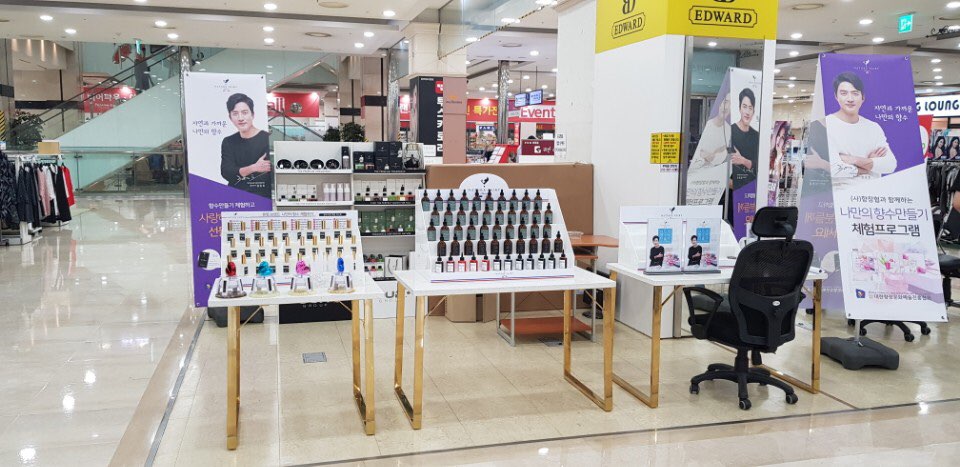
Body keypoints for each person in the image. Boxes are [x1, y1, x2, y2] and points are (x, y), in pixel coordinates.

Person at [825, 71, 897, 189]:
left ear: (863, 97)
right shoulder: (825, 125)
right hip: (841, 195)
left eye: (855, 93)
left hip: (873, 194)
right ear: (836, 96)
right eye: (844, 93)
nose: (850, 99)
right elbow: (833, 169)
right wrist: (870, 164)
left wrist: (852, 160)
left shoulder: (873, 127)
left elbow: (890, 164)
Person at [220, 93, 272, 198]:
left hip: (262, 197)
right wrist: (254, 168)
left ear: (253, 114)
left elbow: (267, 172)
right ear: (230, 117)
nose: (240, 118)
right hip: (234, 196)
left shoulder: (267, 139)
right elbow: (226, 172)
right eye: (235, 113)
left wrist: (239, 172)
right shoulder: (228, 141)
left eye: (244, 113)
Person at [730, 88, 759, 191]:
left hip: (751, 191)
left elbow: (759, 167)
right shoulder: (729, 132)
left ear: (753, 111)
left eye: (750, 108)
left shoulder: (757, 136)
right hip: (731, 192)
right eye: (744, 106)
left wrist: (744, 161)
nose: (747, 112)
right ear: (739, 108)